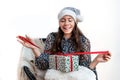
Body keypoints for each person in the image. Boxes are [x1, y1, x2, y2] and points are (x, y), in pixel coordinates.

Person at [17, 7, 111, 80]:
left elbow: (86, 71)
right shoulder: (52, 37)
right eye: (63, 20)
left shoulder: (83, 41)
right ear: (59, 22)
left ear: (75, 22)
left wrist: (97, 60)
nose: (66, 23)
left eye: (70, 20)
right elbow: (44, 64)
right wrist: (34, 48)